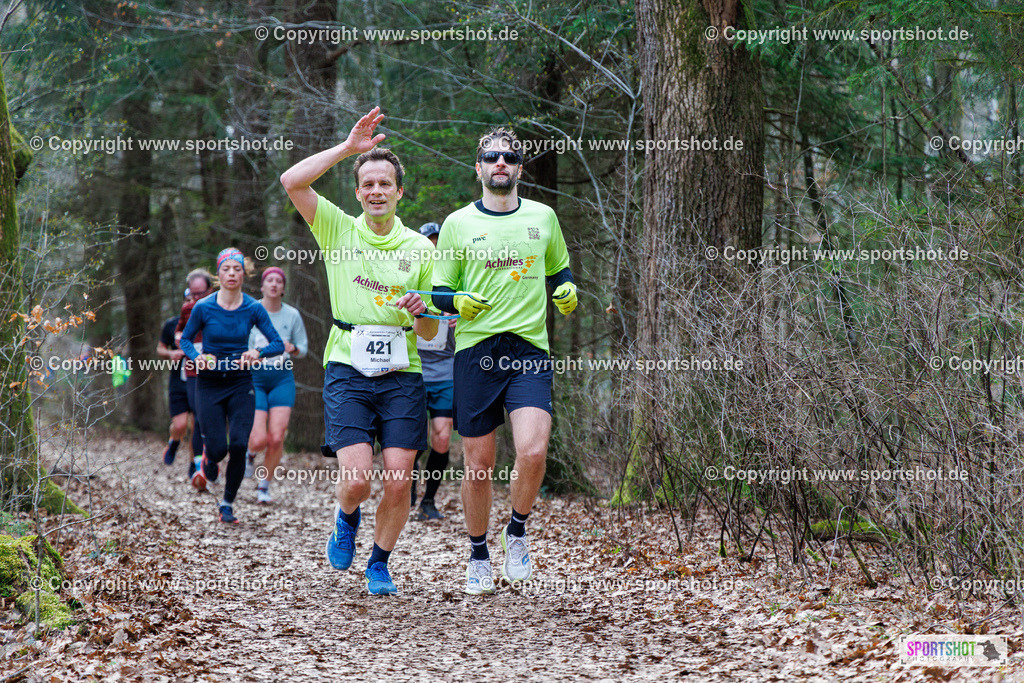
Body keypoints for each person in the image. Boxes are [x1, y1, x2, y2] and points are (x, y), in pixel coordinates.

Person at [280, 106, 439, 595]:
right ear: (357, 192)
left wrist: (422, 313)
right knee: (356, 481)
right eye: (367, 184)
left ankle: (379, 563)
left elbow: (432, 335)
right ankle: (345, 518)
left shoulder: (421, 249)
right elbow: (292, 180)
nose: (375, 191)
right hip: (348, 363)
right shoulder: (338, 229)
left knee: (398, 482)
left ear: (398, 192)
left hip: (402, 371)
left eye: (384, 184)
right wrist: (349, 149)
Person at [432, 127, 578, 594]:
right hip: (476, 351)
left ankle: (516, 529)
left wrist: (567, 291)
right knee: (479, 465)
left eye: (509, 157)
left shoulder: (543, 217)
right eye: (491, 157)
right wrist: (457, 305)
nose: (500, 163)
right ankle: (478, 553)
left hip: (528, 348)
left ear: (519, 168)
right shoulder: (457, 224)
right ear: (478, 168)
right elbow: (439, 292)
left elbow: (560, 272)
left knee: (533, 450)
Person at [180, 248, 284, 524]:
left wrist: (257, 353)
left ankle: (227, 504)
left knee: (239, 444)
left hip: (240, 383)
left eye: (237, 269)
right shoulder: (204, 307)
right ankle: (210, 460)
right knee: (217, 448)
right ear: (219, 273)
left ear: (243, 273)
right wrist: (197, 358)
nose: (231, 274)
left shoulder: (253, 308)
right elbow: (186, 341)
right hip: (210, 384)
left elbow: (277, 344)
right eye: (226, 269)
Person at [244, 266, 309, 504]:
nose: (273, 284)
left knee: (277, 438)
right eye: (269, 280)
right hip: (256, 378)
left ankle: (264, 486)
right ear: (262, 286)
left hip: (282, 378)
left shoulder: (291, 315)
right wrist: (254, 353)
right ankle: (249, 455)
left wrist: (293, 348)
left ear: (283, 288)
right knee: (259, 438)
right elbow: (244, 344)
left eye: (278, 281)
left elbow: (303, 347)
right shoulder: (252, 311)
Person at [410, 222, 456, 521]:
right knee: (411, 440)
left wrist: (459, 315)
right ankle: (407, 491)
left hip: (446, 371)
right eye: (430, 243)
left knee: (441, 438)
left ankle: (428, 500)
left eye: (439, 244)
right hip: (412, 370)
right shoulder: (411, 278)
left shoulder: (456, 281)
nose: (434, 249)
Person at [175, 269, 214, 484]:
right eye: (193, 293)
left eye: (201, 294)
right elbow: (179, 331)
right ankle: (199, 465)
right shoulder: (187, 309)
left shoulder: (219, 307)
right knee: (198, 415)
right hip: (192, 368)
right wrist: (180, 338)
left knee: (213, 416)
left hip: (216, 367)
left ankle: (212, 459)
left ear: (210, 289)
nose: (197, 298)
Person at [157, 288, 199, 468]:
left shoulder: (207, 324)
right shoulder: (171, 324)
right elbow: (159, 349)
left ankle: (194, 464)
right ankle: (174, 442)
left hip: (200, 380)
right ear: (183, 302)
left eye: (196, 299)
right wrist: (171, 353)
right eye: (188, 299)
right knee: (181, 425)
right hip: (178, 381)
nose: (191, 303)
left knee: (196, 426)